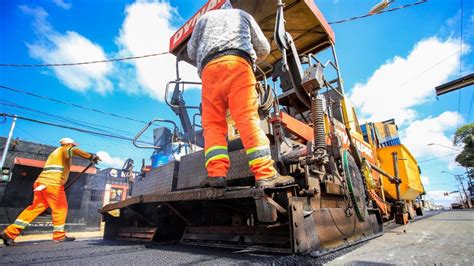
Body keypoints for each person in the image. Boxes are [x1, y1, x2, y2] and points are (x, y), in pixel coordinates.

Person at [187, 1, 294, 189]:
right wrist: (251, 59)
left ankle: (216, 175)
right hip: (238, 65)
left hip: (209, 72)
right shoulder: (242, 15)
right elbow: (263, 48)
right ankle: (265, 174)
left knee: (212, 125)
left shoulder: (203, 20)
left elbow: (190, 51)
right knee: (247, 120)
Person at [1, 138, 100, 246]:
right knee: (60, 208)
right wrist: (91, 157)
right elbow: (75, 151)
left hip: (41, 183)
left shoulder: (54, 154)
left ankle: (9, 233)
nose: (73, 147)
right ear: (69, 144)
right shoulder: (63, 150)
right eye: (72, 145)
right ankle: (59, 236)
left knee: (34, 209)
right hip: (53, 184)